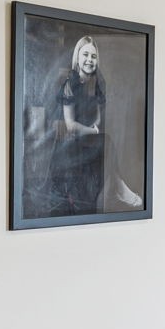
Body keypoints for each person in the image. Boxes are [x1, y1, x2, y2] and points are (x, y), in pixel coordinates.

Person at [47, 34, 142, 216]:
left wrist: (93, 128)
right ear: (78, 56)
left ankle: (116, 186)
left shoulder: (97, 82)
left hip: (86, 140)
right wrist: (91, 130)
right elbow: (70, 125)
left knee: (105, 141)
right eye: (85, 55)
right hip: (69, 145)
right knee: (105, 141)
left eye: (93, 56)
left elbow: (98, 117)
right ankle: (118, 187)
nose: (89, 60)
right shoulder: (69, 83)